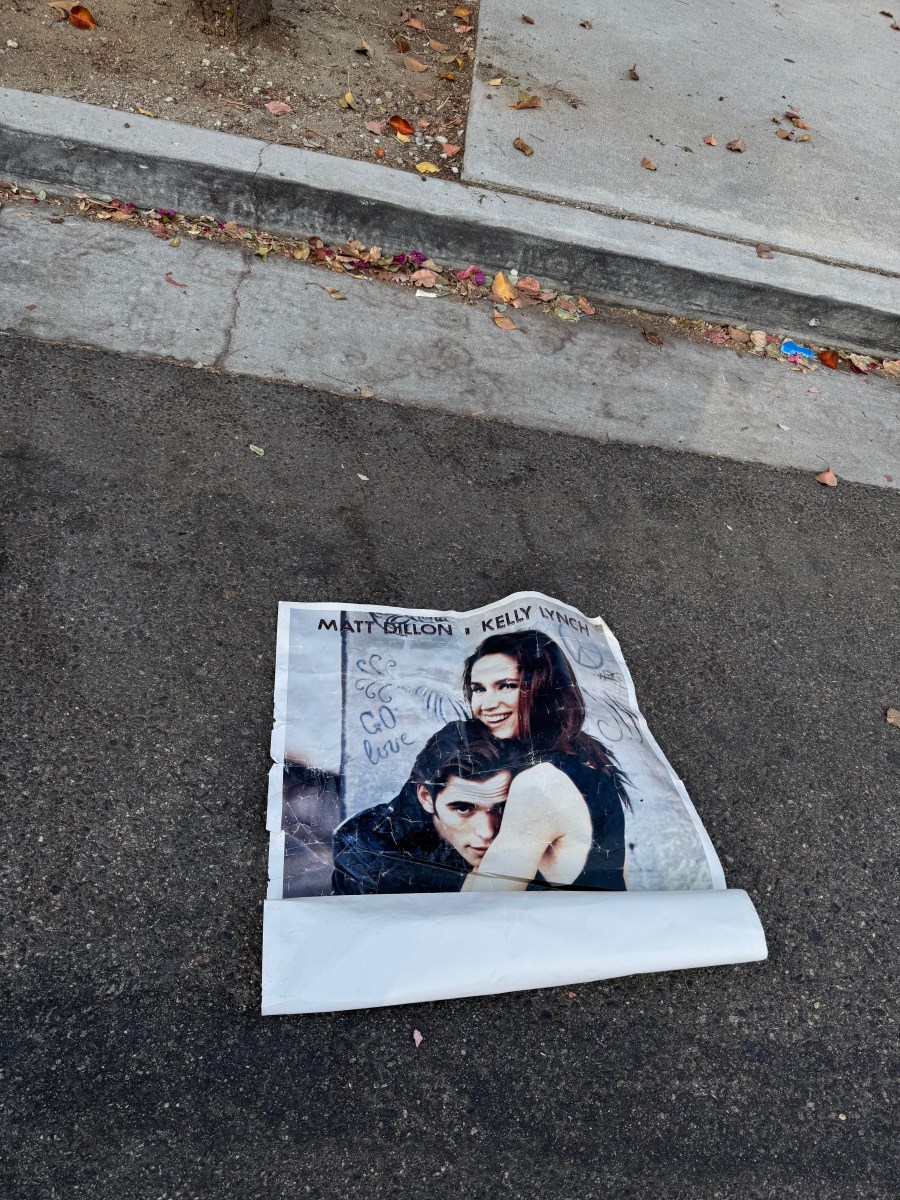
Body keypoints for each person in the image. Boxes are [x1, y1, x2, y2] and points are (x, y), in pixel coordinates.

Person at [459, 630, 631, 892]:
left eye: (507, 686)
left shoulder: (538, 783)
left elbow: (482, 903)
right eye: (479, 689)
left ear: (544, 690)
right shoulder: (589, 759)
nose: (487, 704)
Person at [331, 720, 524, 895]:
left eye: (499, 807)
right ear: (426, 798)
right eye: (463, 809)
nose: (487, 832)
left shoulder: (523, 815)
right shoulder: (365, 844)